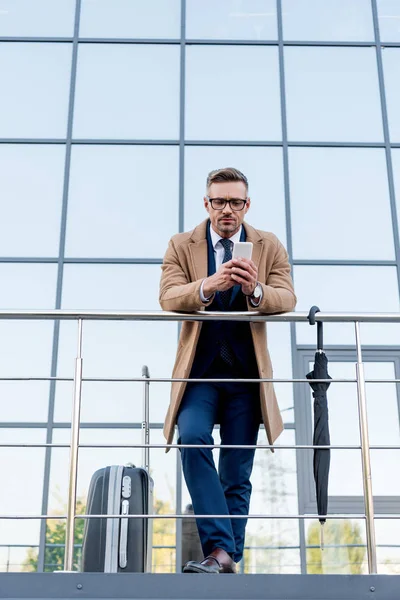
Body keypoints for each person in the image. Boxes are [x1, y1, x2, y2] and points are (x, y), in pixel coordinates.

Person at [159, 167, 297, 574]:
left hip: (246, 378)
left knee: (237, 471)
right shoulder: (181, 245)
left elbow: (287, 296)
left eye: (235, 202)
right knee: (193, 438)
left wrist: (254, 289)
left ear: (246, 205)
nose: (227, 210)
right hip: (199, 375)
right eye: (218, 201)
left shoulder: (268, 245)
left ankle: (220, 558)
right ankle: (225, 551)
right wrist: (209, 285)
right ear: (207, 203)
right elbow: (167, 296)